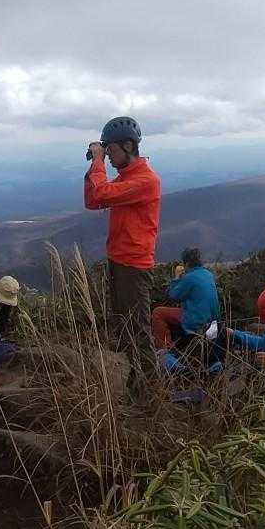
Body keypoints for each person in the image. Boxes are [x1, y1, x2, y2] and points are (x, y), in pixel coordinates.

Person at [83, 116, 162, 358]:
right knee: (124, 329)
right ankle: (131, 376)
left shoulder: (146, 180)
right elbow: (92, 200)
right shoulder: (128, 177)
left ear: (128, 145)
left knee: (138, 331)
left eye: (111, 149)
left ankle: (148, 380)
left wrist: (98, 161)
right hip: (120, 260)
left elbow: (101, 193)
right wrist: (95, 165)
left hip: (133, 265)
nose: (108, 155)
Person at [152, 247, 220, 351]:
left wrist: (176, 277)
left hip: (196, 320)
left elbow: (173, 295)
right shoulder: (208, 274)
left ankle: (164, 351)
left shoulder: (189, 277)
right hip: (212, 321)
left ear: (186, 263)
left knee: (158, 313)